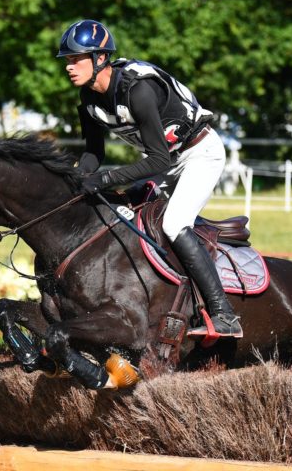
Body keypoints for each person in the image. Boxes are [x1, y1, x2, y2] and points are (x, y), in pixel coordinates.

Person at [58, 19, 242, 339]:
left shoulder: (138, 91)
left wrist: (104, 180)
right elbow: (93, 153)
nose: (69, 67)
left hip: (200, 153)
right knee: (123, 215)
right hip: (165, 161)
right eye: (67, 61)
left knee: (174, 223)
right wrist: (76, 179)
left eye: (76, 59)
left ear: (100, 59)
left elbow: (158, 159)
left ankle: (223, 314)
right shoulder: (89, 101)